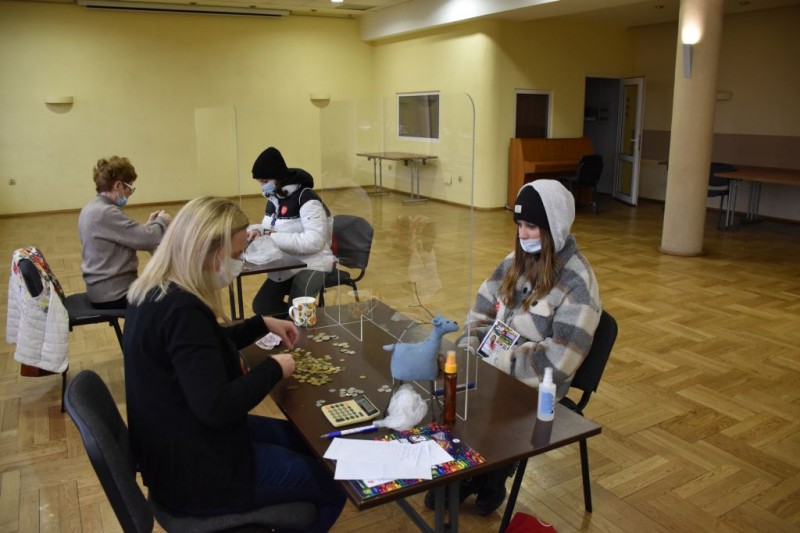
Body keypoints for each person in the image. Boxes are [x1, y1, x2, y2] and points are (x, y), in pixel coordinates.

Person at [123, 196, 345, 531]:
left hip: (174, 447)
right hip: (195, 472)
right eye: (238, 254)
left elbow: (200, 349)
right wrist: (274, 368)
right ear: (210, 252)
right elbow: (216, 406)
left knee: (305, 441)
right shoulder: (183, 310)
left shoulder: (155, 291)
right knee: (333, 484)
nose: (240, 262)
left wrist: (260, 324)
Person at [426, 179, 602, 515]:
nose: (523, 234)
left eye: (532, 226)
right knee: (447, 389)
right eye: (519, 225)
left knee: (481, 403)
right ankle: (475, 471)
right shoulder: (513, 262)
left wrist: (495, 364)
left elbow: (557, 363)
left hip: (536, 386)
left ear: (554, 228)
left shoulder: (578, 285)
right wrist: (468, 350)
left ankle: (484, 472)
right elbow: (480, 314)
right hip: (493, 367)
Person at [247, 146, 334, 316]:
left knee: (298, 309)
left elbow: (315, 242)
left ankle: (309, 324)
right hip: (289, 262)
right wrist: (257, 230)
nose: (262, 186)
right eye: (260, 182)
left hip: (314, 263)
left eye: (265, 181)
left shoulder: (307, 199)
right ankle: (292, 324)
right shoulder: (274, 198)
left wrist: (270, 237)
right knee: (262, 306)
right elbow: (271, 227)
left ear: (277, 177)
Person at [78, 156, 171, 309]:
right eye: (130, 187)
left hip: (101, 290)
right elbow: (147, 239)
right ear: (118, 185)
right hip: (114, 293)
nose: (129, 193)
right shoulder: (106, 213)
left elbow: (129, 237)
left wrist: (149, 226)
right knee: (172, 297)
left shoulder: (90, 208)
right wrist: (161, 221)